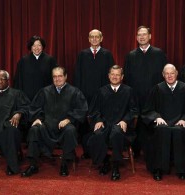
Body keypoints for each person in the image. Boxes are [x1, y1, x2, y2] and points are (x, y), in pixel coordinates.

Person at [21, 67, 88, 177]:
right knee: (34, 129)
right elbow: (35, 107)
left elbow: (81, 109)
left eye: (60, 76)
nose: (57, 79)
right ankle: (33, 165)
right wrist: (38, 118)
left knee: (70, 130)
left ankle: (65, 163)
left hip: (65, 127)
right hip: (47, 126)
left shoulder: (75, 92)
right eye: (55, 76)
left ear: (65, 76)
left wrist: (69, 119)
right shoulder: (45, 91)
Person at [142, 64, 185, 181]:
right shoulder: (157, 89)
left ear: (176, 73)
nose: (169, 76)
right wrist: (157, 117)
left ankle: (182, 170)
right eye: (167, 73)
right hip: (162, 123)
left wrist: (184, 119)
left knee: (180, 131)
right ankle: (159, 169)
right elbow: (147, 110)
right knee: (161, 130)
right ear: (163, 75)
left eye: (172, 73)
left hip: (180, 123)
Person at [87, 65, 139, 181]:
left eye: (117, 75)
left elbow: (134, 110)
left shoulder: (128, 91)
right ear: (108, 76)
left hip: (121, 125)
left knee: (116, 133)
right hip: (105, 124)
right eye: (112, 74)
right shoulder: (101, 91)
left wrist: (125, 120)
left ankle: (115, 165)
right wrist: (99, 120)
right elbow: (94, 110)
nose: (115, 77)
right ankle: (105, 161)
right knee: (98, 134)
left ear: (122, 77)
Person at [124, 25, 167, 158]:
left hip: (154, 95)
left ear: (150, 36)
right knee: (136, 124)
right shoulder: (131, 55)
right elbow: (126, 77)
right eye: (139, 35)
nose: (142, 37)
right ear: (136, 38)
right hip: (136, 95)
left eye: (144, 34)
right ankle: (136, 150)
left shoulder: (159, 53)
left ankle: (153, 152)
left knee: (153, 122)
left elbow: (164, 75)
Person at [74, 29, 115, 159]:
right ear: (88, 39)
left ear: (101, 38)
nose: (95, 39)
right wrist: (78, 94)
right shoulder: (82, 54)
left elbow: (113, 76)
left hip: (103, 96)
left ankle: (103, 149)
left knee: (101, 120)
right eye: (92, 37)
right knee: (86, 123)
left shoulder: (107, 54)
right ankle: (87, 150)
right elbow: (78, 75)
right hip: (85, 95)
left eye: (97, 37)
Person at [14, 35, 58, 101]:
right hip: (27, 98)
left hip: (46, 97)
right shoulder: (23, 61)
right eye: (34, 45)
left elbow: (55, 79)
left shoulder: (50, 60)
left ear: (42, 46)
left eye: (39, 45)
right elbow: (18, 81)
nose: (36, 48)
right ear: (30, 47)